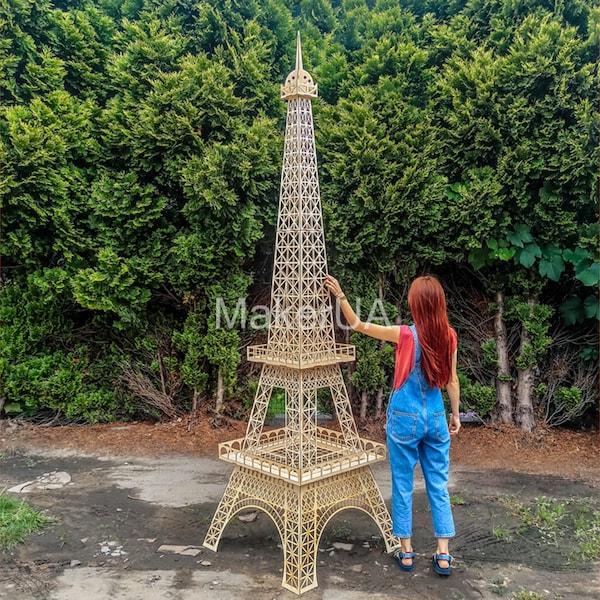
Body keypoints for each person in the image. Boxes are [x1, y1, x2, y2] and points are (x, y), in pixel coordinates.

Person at [324, 273, 461, 576]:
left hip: (404, 418)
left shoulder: (405, 334)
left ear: (415, 304)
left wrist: (341, 295)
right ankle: (442, 554)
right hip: (436, 417)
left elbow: (358, 325)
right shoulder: (449, 335)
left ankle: (408, 551)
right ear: (439, 304)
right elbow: (451, 380)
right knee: (438, 484)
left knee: (402, 484)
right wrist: (455, 414)